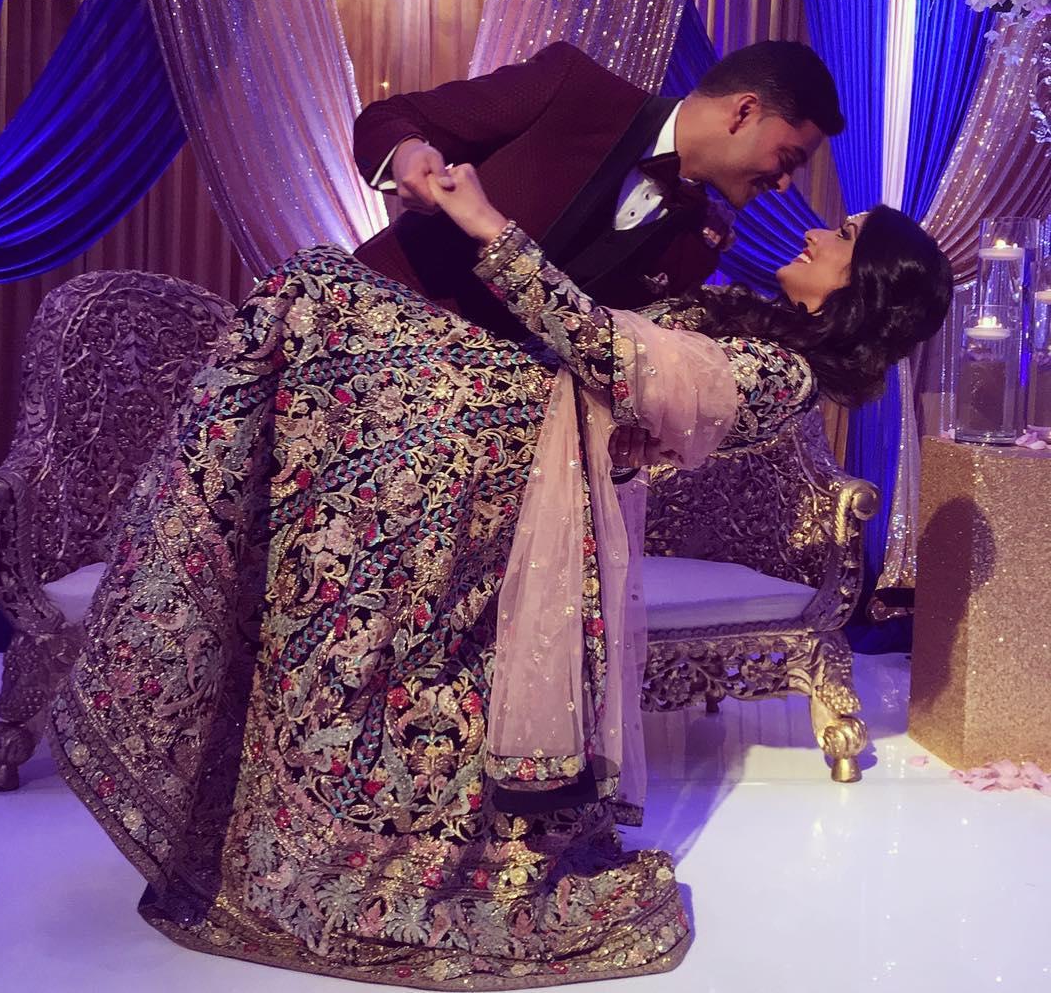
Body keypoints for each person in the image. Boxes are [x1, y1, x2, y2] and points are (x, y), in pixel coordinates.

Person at [50, 165, 951, 988]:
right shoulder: (756, 325)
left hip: (504, 450)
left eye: (842, 236)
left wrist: (491, 227)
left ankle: (354, 840)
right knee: (313, 364)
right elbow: (638, 348)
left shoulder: (785, 375)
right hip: (501, 434)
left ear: (865, 286)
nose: (815, 232)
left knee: (317, 306)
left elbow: (608, 351)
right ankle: (241, 756)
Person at [352, 40, 844, 339]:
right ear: (744, 111)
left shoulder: (699, 243)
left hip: (462, 429)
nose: (783, 185)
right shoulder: (573, 88)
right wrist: (407, 152)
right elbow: (392, 116)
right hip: (370, 325)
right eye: (787, 160)